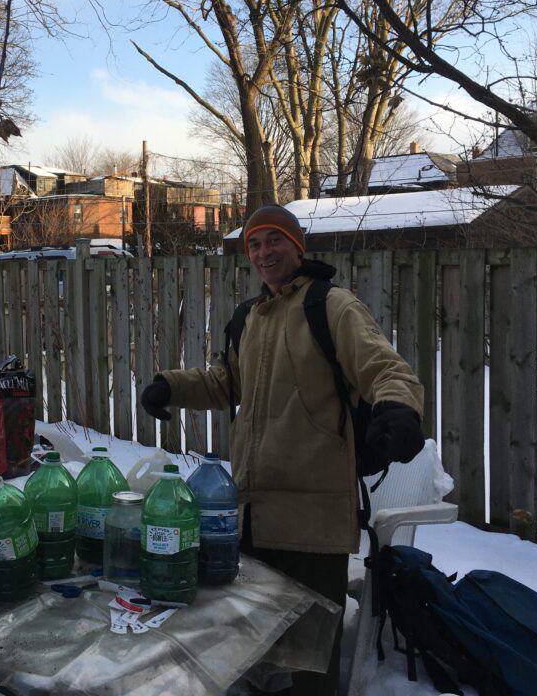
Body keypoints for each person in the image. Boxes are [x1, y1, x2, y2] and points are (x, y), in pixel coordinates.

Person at [140, 205, 424, 696]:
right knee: (253, 655)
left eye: (273, 241)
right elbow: (227, 383)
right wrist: (171, 386)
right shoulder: (250, 316)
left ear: (298, 246)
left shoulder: (333, 306)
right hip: (249, 516)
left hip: (313, 522)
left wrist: (399, 411)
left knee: (310, 662)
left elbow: (385, 369)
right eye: (254, 244)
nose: (263, 252)